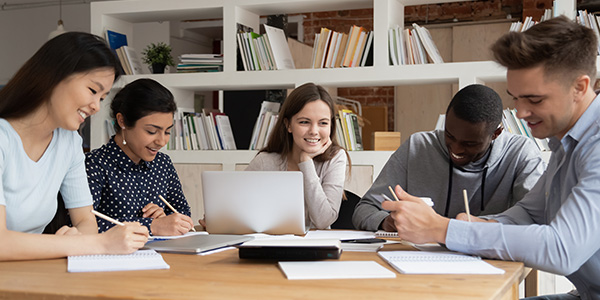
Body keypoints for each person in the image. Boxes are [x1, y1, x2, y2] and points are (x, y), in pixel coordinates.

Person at [382, 16, 600, 300]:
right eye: (515, 98)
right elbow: (531, 213)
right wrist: (476, 225)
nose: (520, 113)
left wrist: (442, 228)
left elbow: (562, 250)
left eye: (534, 100)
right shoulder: (565, 142)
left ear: (580, 87)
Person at [0, 32, 149, 261]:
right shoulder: (3, 138)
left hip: (27, 273)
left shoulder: (69, 142)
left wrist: (78, 238)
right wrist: (97, 244)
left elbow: (85, 220)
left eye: (102, 97)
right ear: (54, 75)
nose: (96, 107)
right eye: (92, 90)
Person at [353, 84, 546, 231]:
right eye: (450, 136)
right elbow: (365, 208)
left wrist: (474, 225)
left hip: (489, 264)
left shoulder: (521, 153)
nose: (456, 149)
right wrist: (385, 222)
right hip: (418, 264)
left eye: (470, 143)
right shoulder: (417, 146)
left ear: (496, 133)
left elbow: (536, 219)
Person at [86, 78, 194, 236]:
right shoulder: (96, 164)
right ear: (122, 121)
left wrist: (167, 218)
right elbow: (81, 226)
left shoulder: (162, 163)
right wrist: (152, 225)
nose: (162, 141)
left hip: (163, 255)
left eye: (167, 131)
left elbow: (183, 215)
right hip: (112, 258)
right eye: (151, 131)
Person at [245, 82, 348, 229]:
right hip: (270, 246)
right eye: (304, 122)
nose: (314, 131)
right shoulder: (265, 162)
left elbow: (323, 221)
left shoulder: (335, 158)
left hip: (315, 248)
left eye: (323, 123)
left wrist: (306, 163)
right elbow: (236, 208)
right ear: (288, 125)